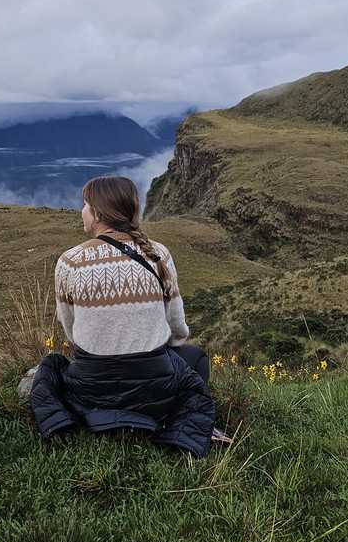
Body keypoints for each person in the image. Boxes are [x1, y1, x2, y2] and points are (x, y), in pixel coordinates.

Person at [27, 175, 231, 457]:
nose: (82, 211)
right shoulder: (159, 254)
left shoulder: (69, 261)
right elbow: (177, 329)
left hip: (91, 389)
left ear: (98, 212)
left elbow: (71, 331)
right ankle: (172, 424)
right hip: (155, 389)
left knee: (51, 366)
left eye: (85, 204)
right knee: (194, 358)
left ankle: (64, 423)